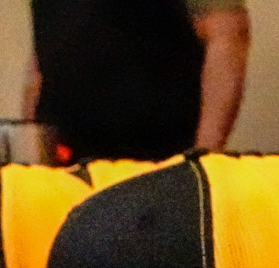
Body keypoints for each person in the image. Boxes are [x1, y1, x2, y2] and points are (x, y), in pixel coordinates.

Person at [24, 0, 251, 161]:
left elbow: (228, 34)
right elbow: (49, 45)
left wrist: (202, 159)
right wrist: (31, 141)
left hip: (154, 158)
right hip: (63, 157)